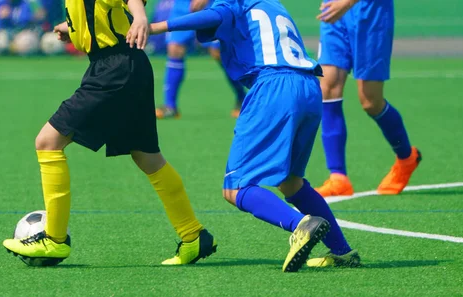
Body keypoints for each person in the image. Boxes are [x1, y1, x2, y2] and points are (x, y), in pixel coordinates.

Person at [2, 0, 217, 266]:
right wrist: (73, 27)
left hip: (115, 69)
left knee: (48, 142)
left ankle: (54, 240)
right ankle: (193, 235)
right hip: (127, 66)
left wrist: (139, 17)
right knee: (147, 157)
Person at [150, 0, 359, 272]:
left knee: (236, 187)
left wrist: (154, 27)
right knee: (292, 182)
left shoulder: (229, 3)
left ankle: (301, 225)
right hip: (308, 86)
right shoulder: (270, 3)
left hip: (273, 87)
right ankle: (342, 251)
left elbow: (211, 15)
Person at [314, 0, 421, 197]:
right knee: (327, 88)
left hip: (371, 12)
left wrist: (346, 3)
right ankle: (338, 178)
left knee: (370, 101)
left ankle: (407, 158)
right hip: (334, 10)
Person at [154, 0, 246, 119]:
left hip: (212, 5)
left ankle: (242, 97)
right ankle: (170, 106)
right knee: (174, 48)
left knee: (217, 53)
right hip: (182, 5)